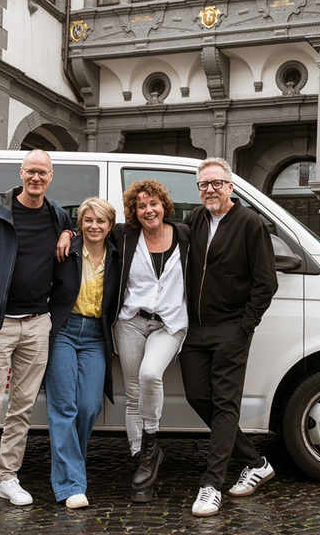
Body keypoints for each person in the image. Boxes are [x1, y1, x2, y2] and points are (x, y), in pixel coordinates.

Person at [0, 149, 72, 517]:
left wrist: (68, 231)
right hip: (0, 322)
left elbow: (83, 226)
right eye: (31, 172)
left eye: (43, 173)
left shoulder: (57, 216)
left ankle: (8, 477)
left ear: (51, 177)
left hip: (38, 323)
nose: (36, 178)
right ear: (21, 174)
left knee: (22, 408)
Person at [181, 157, 278, 517]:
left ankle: (211, 485)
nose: (210, 189)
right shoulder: (194, 219)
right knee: (197, 396)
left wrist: (243, 328)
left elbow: (266, 282)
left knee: (224, 404)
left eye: (216, 183)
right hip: (195, 328)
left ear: (230, 186)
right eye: (204, 184)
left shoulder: (250, 223)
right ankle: (255, 462)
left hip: (230, 328)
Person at [112, 179, 190, 502]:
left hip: (169, 325)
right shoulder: (126, 236)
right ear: (134, 211)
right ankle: (138, 459)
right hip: (130, 321)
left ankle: (152, 444)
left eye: (153, 203)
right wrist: (65, 233)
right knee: (132, 393)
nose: (148, 210)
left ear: (164, 205)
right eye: (141, 205)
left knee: (149, 375)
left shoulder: (184, 235)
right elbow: (91, 225)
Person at [45, 197, 119, 509]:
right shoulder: (68, 249)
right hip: (64, 331)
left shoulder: (118, 254)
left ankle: (70, 467)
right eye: (88, 220)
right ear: (80, 223)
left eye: (101, 221)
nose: (94, 226)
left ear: (110, 225)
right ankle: (71, 484)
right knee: (64, 408)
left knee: (88, 406)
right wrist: (64, 232)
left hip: (94, 337)